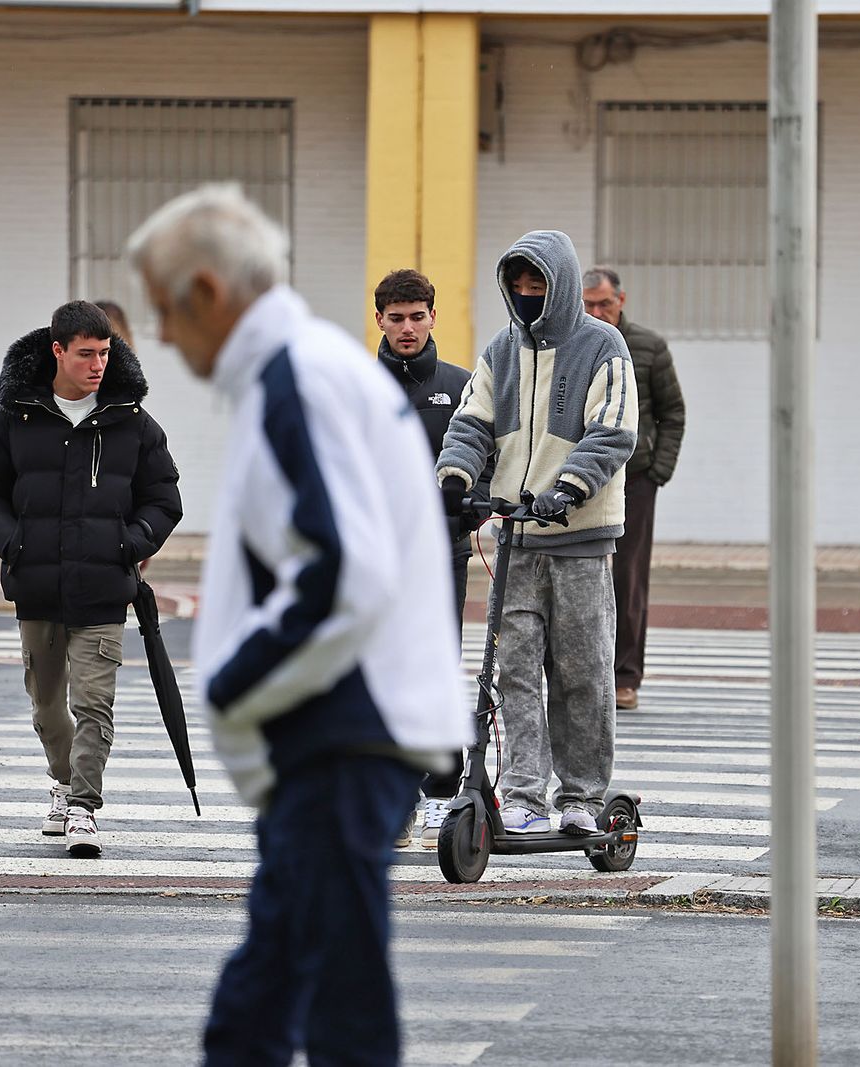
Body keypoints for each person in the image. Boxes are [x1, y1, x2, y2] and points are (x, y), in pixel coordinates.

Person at [126, 184, 470, 1066]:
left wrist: (232, 686)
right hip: (344, 727)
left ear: (207, 291)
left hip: (344, 730)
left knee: (332, 1002)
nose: (160, 335)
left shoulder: (298, 380)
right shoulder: (306, 370)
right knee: (263, 1000)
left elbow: (343, 571)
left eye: (163, 310)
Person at [0, 300, 183, 858]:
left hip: (104, 589)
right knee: (47, 705)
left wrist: (128, 545)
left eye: (105, 354)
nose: (97, 365)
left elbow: (164, 498)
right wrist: (14, 542)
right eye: (86, 354)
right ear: (57, 351)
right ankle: (61, 783)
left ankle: (84, 807)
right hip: (36, 586)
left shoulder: (132, 421)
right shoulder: (15, 417)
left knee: (95, 703)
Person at [436, 230, 637, 836]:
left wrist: (569, 488)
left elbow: (614, 431)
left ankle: (580, 794)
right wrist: (453, 474)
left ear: (562, 285)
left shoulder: (604, 346)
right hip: (517, 539)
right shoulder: (502, 350)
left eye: (538, 285)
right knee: (514, 670)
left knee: (581, 671)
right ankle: (523, 791)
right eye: (518, 286)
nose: (526, 296)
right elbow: (472, 419)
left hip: (579, 539)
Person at [373, 268, 477, 850]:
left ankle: (440, 787)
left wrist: (469, 510)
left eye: (417, 316)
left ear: (433, 316)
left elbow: (488, 459)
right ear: (380, 320)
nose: (408, 328)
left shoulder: (463, 387)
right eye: (396, 318)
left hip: (442, 555)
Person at [581, 267, 687, 710]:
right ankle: (585, 676)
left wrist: (658, 471)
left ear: (621, 300)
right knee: (580, 575)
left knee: (628, 577)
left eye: (604, 303)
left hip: (636, 477)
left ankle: (625, 678)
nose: (596, 312)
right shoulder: (574, 342)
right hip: (582, 474)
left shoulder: (648, 346)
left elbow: (673, 412)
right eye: (588, 304)